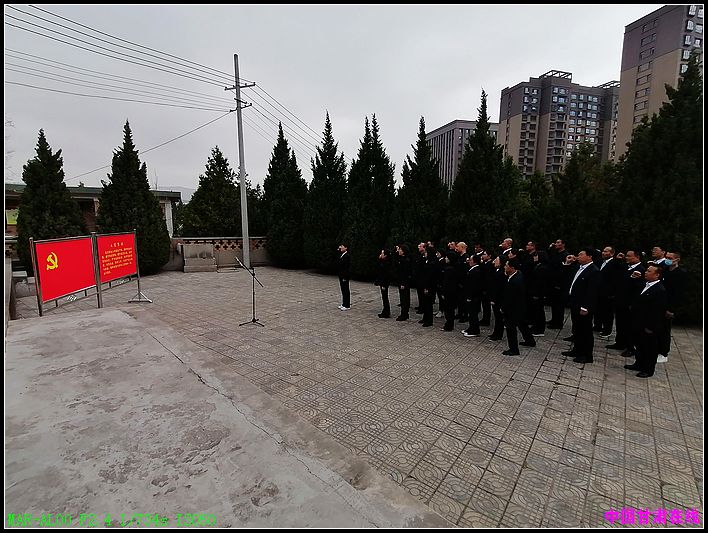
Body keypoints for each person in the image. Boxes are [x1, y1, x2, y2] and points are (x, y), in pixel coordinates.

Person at [624, 264, 668, 378]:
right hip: (638, 321)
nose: (646, 272)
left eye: (649, 271)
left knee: (649, 347)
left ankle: (648, 369)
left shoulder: (659, 290)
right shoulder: (644, 284)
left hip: (648, 324)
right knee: (639, 344)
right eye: (647, 270)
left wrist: (651, 326)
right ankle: (639, 363)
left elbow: (657, 311)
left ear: (657, 275)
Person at [561, 248, 600, 364]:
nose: (578, 256)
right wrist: (567, 263)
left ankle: (587, 355)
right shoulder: (578, 267)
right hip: (574, 303)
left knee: (585, 331)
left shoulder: (593, 271)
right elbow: (567, 276)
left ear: (589, 256)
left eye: (581, 254)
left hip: (583, 306)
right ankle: (577, 349)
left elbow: (592, 291)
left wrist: (586, 306)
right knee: (577, 328)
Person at [501, 258, 536, 355]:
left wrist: (504, 308)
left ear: (512, 268)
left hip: (514, 308)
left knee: (511, 328)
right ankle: (530, 341)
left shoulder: (515, 281)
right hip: (520, 307)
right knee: (522, 324)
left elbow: (511, 297)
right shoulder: (517, 275)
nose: (504, 267)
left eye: (506, 265)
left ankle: (513, 349)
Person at [657, 251, 687, 363]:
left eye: (670, 258)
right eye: (666, 257)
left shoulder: (680, 273)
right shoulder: (664, 270)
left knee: (665, 330)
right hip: (659, 303)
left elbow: (678, 294)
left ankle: (663, 353)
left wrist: (671, 309)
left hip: (668, 306)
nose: (667, 259)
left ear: (677, 259)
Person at [395, 244, 412, 321]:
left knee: (404, 299)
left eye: (400, 250)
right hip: (401, 281)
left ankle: (404, 314)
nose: (399, 251)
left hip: (404, 282)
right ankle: (404, 313)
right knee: (403, 298)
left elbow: (405, 273)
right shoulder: (402, 259)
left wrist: (403, 283)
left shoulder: (405, 260)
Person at [375, 249, 393, 318]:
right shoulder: (383, 261)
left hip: (384, 283)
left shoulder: (387, 263)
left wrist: (384, 285)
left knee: (385, 297)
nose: (381, 254)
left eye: (382, 253)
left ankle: (386, 312)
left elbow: (385, 275)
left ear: (385, 255)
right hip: (382, 282)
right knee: (384, 297)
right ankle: (385, 311)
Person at [337, 244, 351, 310]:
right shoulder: (342, 255)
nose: (341, 248)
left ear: (346, 248)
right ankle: (344, 303)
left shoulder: (347, 256)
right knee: (343, 289)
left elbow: (347, 268)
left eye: (342, 247)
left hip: (344, 276)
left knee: (346, 290)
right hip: (341, 275)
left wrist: (345, 277)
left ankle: (347, 305)